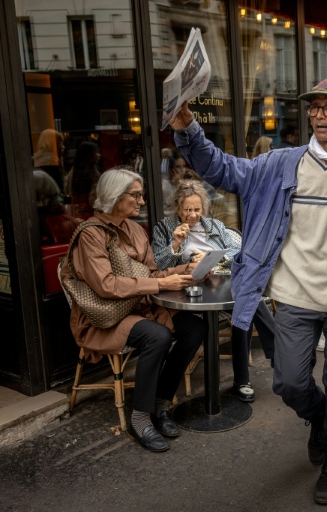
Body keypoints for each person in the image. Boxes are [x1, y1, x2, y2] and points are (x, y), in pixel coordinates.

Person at [170, 77, 327, 505]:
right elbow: (224, 169)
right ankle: (321, 419)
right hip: (295, 298)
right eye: (314, 107)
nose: (319, 115)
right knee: (288, 381)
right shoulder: (281, 163)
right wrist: (189, 128)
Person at [60, 168, 207, 452]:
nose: (141, 202)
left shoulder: (136, 229)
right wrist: (161, 284)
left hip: (139, 306)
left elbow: (153, 273)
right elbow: (105, 285)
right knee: (158, 336)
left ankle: (160, 403)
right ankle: (140, 418)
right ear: (115, 197)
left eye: (141, 195)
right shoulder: (91, 234)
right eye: (136, 195)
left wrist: (185, 271)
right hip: (105, 315)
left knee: (196, 328)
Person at [151, 179, 276, 401]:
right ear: (178, 207)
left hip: (220, 282)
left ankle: (243, 380)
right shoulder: (164, 228)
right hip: (188, 288)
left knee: (244, 307)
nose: (192, 214)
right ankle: (278, 352)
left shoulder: (215, 226)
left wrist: (217, 260)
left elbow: (240, 253)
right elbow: (158, 265)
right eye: (187, 209)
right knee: (246, 301)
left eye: (197, 209)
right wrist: (178, 246)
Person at [64, 142, 102, 219]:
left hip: (74, 212)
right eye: (96, 152)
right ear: (89, 155)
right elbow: (93, 199)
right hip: (89, 214)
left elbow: (66, 190)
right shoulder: (93, 174)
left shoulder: (73, 171)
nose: (99, 155)